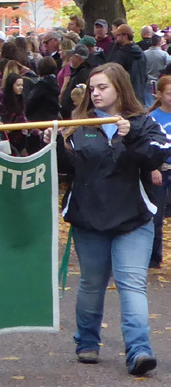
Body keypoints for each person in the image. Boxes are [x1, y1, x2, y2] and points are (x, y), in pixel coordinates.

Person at [42, 63, 167, 376]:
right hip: (89, 218)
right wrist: (53, 142)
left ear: (120, 88)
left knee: (132, 285)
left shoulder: (142, 121)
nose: (95, 93)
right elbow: (65, 168)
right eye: (92, 88)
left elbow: (157, 156)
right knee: (92, 283)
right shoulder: (78, 124)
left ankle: (139, 351)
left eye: (102, 87)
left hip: (133, 219)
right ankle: (87, 340)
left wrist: (132, 133)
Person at [148, 75, 171, 269]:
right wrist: (153, 168)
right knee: (157, 215)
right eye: (170, 94)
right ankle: (154, 256)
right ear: (161, 94)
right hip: (161, 170)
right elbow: (148, 145)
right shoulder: (153, 117)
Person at [26, 56, 62, 122]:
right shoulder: (55, 83)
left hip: (40, 120)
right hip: (53, 118)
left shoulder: (42, 85)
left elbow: (31, 101)